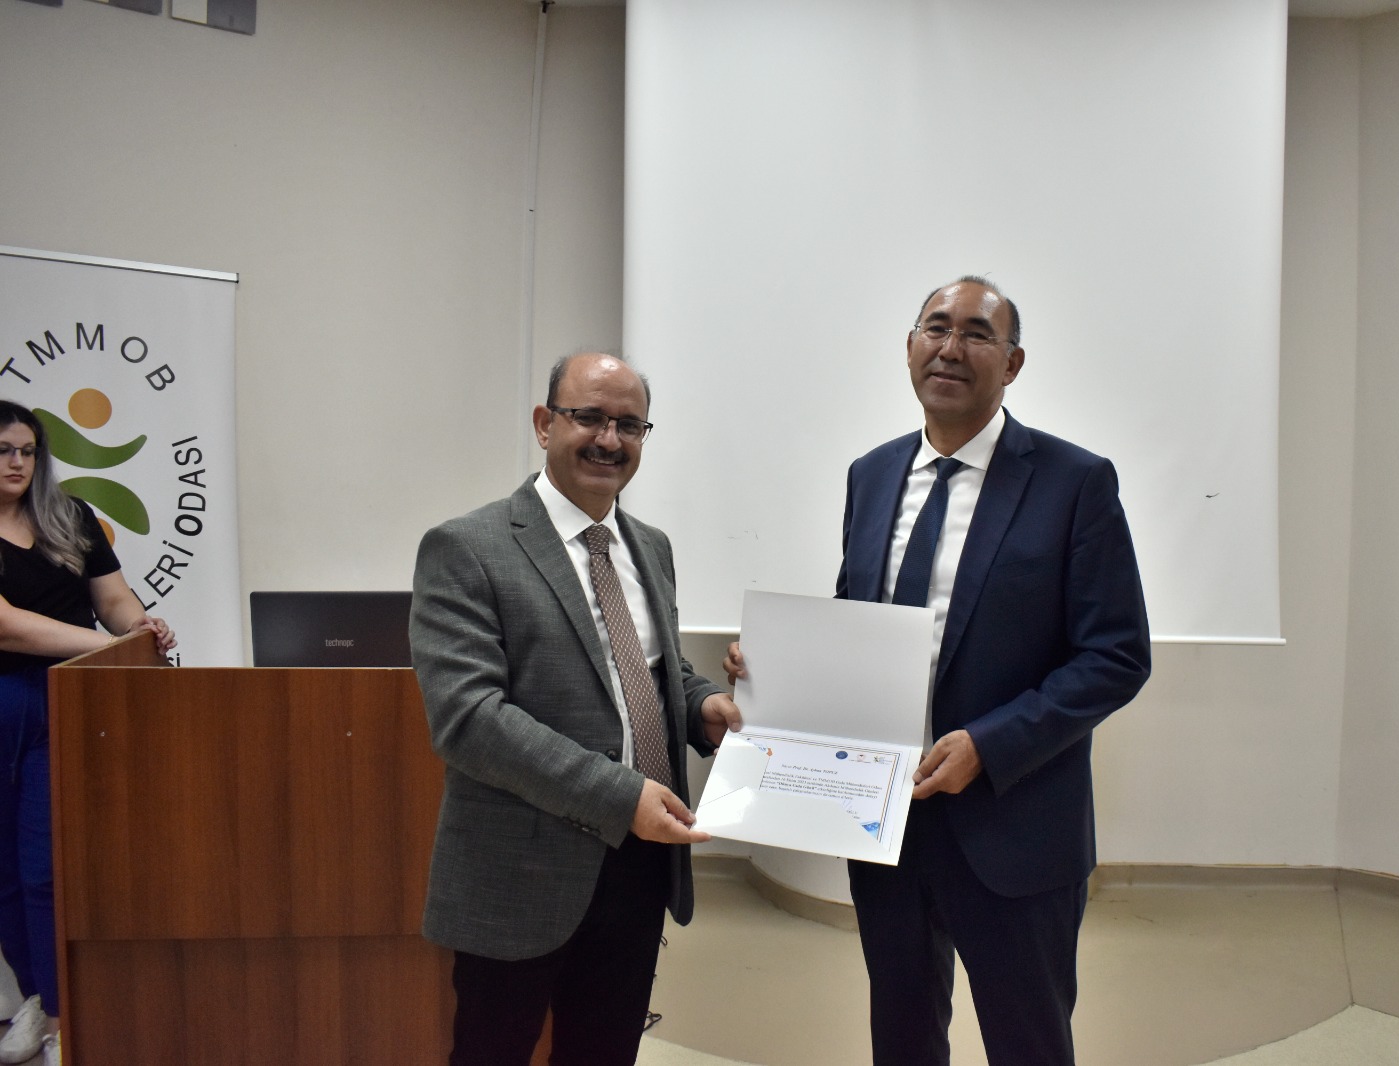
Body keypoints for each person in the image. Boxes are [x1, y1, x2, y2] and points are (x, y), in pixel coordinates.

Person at [727, 277, 1151, 1065]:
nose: (951, 348)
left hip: (1015, 826)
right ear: (910, 347)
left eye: (977, 334)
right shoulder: (872, 474)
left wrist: (990, 745)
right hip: (884, 822)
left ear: (1012, 363)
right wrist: (780, 666)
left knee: (1028, 1043)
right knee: (903, 1038)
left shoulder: (1074, 483)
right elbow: (858, 616)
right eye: (936, 328)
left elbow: (1117, 654)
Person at [410, 352, 742, 1066]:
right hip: (519, 874)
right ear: (544, 424)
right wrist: (620, 796)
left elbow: (651, 671)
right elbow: (469, 719)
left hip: (640, 866)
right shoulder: (466, 547)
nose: (608, 439)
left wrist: (703, 707)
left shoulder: (650, 547)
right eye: (589, 417)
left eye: (629, 424)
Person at [0, 400, 176, 1066]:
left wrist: (137, 628)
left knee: (46, 867)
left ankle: (63, 1018)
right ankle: (37, 998)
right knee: (5, 873)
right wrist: (105, 647)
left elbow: (113, 598)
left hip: (69, 700)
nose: (17, 463)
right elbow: (8, 627)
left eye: (27, 450)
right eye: (3, 451)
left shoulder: (67, 514)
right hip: (6, 699)